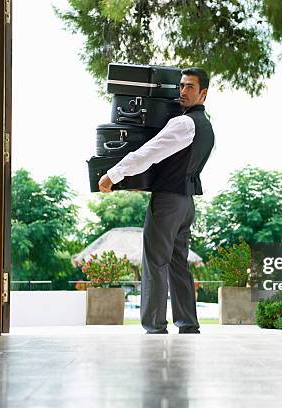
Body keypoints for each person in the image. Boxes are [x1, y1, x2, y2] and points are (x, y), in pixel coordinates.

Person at [98, 67, 215, 334]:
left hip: (169, 203)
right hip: (187, 204)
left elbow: (148, 153)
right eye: (182, 86)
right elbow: (178, 163)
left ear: (203, 93)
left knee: (155, 261)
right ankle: (187, 323)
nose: (183, 92)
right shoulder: (207, 128)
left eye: (190, 87)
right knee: (178, 264)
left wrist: (113, 175)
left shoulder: (184, 123)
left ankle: (154, 326)